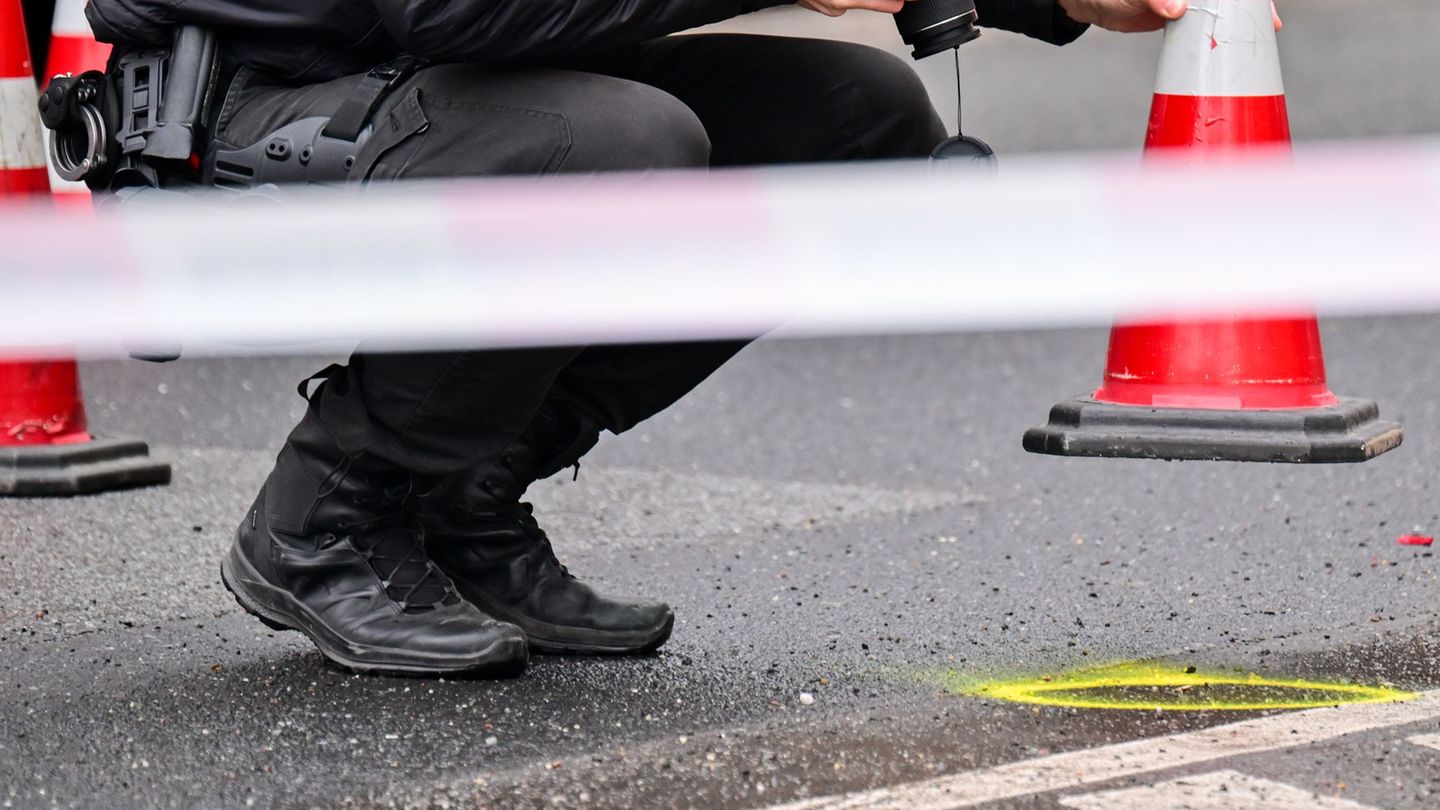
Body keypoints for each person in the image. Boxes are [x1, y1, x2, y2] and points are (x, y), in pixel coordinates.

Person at [84, 0, 1210, 676]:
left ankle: (461, 492)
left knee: (856, 121)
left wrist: (1058, 2)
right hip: (246, 116)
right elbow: (460, 15)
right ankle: (329, 514)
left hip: (438, 88)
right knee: (621, 142)